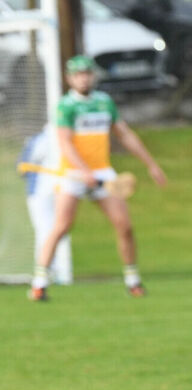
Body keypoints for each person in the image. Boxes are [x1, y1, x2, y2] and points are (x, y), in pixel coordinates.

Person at [28, 55, 167, 301]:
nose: (83, 77)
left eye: (87, 73)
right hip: (73, 174)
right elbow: (65, 143)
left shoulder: (104, 102)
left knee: (124, 226)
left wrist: (151, 164)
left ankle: (133, 281)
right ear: (70, 78)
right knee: (61, 227)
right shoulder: (65, 105)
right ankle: (39, 284)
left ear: (93, 75)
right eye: (78, 74)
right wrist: (83, 171)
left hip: (102, 172)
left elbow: (124, 134)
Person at [19, 125, 72, 285]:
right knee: (46, 230)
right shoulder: (41, 140)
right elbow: (22, 167)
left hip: (60, 190)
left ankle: (55, 270)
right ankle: (44, 273)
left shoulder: (69, 138)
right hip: (39, 194)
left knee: (60, 229)